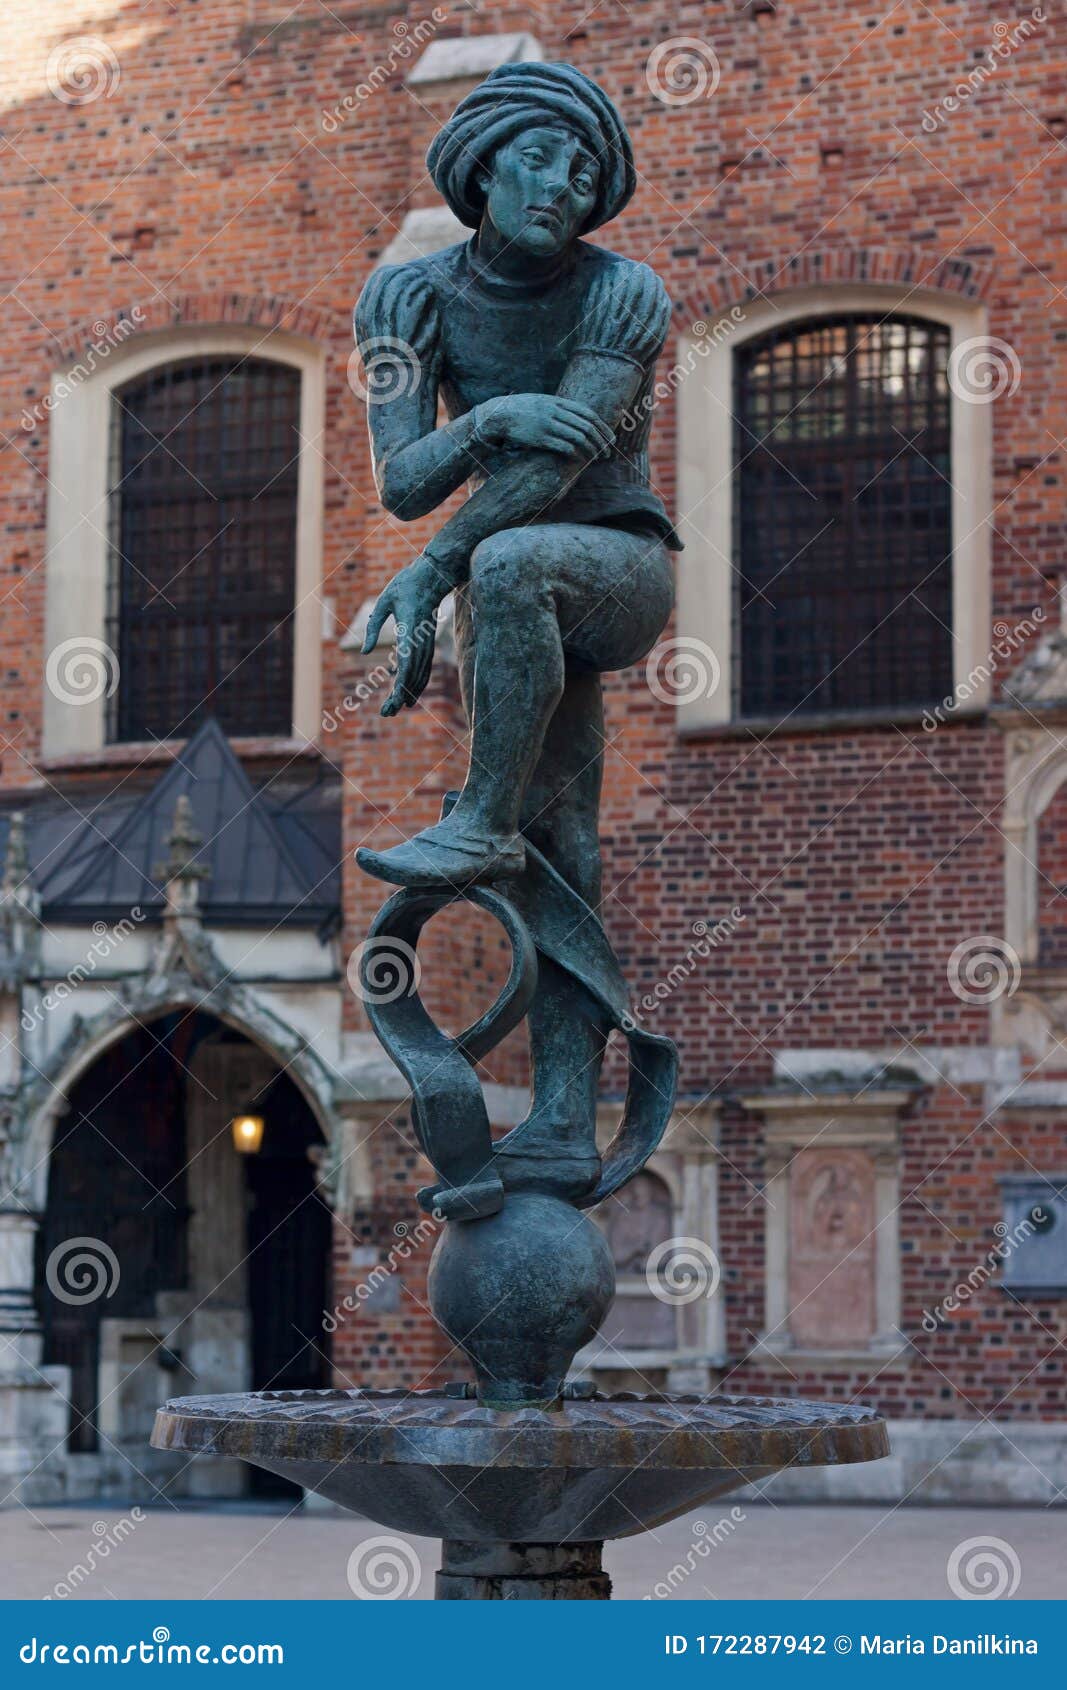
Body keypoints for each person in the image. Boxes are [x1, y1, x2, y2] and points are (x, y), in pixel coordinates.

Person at [353, 62, 680, 1199]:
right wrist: (483, 412)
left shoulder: (622, 292)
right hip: (511, 592)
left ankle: (478, 825)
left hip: (618, 568)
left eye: (583, 172)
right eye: (540, 158)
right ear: (481, 166)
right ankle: (555, 1119)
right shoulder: (406, 300)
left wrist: (437, 567)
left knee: (506, 559)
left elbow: (565, 457)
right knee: (567, 831)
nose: (563, 184)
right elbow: (400, 479)